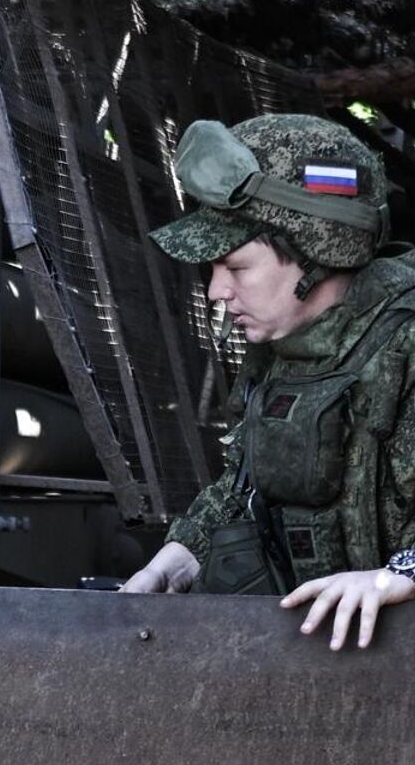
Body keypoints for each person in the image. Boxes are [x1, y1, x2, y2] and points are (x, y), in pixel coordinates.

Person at [122, 113, 415, 648]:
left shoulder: (406, 342)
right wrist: (179, 558)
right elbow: (251, 484)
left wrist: (402, 574)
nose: (217, 291)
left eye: (235, 267)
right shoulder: (284, 347)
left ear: (319, 250)